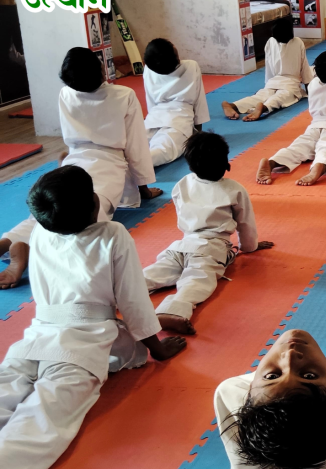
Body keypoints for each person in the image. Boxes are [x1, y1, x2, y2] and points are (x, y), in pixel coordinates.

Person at [0, 165, 186, 467]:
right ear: (92, 207)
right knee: (41, 422)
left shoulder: (40, 231)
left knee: (6, 385)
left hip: (33, 341)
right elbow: (133, 301)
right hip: (82, 349)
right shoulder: (112, 234)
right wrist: (158, 349)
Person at [0, 48, 160, 289]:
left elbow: (69, 135)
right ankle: (31, 253)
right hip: (108, 164)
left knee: (48, 209)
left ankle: (9, 240)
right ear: (103, 70)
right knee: (88, 216)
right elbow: (136, 146)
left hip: (73, 161)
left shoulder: (66, 94)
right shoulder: (124, 95)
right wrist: (144, 188)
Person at [146, 133, 272, 334]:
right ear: (226, 163)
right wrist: (250, 247)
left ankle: (114, 294)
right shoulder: (234, 189)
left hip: (181, 245)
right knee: (197, 280)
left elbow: (182, 212)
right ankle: (174, 310)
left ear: (190, 165)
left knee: (154, 273)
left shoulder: (183, 183)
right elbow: (245, 224)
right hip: (211, 249)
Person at [216, 329, 326, 468]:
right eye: (309, 376)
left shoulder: (229, 393)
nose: (291, 356)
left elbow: (240, 461)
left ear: (248, 393)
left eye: (272, 377)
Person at [256, 51, 326, 186]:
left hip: (314, 126)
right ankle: (318, 167)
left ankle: (273, 161)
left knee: (299, 147)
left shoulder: (313, 84)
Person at [223, 19, 314, 121]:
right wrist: (310, 91)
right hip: (290, 84)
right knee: (280, 98)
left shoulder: (270, 42)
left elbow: (269, 67)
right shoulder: (298, 42)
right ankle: (264, 108)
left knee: (259, 96)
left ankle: (233, 105)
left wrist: (268, 84)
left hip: (272, 81)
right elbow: (305, 69)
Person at [141, 38, 210, 167]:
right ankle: (137, 164)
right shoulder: (191, 66)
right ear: (175, 55)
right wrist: (196, 136)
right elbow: (199, 103)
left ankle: (127, 163)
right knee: (164, 150)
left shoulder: (148, 69)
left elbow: (150, 101)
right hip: (180, 121)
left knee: (136, 144)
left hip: (153, 118)